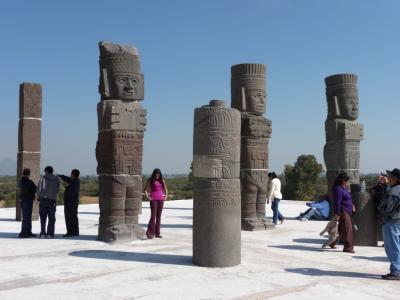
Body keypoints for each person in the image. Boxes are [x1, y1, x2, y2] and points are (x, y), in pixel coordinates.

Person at [377, 168, 400, 280]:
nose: (388, 178)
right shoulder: (395, 188)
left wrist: (381, 211)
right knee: (396, 246)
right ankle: (396, 270)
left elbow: (388, 207)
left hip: (392, 221)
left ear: (394, 179)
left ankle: (396, 271)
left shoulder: (395, 190)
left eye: (389, 176)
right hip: (396, 221)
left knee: (392, 247)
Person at [329, 172, 355, 253]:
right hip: (343, 211)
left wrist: (352, 205)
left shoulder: (343, 188)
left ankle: (332, 243)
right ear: (343, 180)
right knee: (348, 229)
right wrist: (337, 213)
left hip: (347, 210)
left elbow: (347, 198)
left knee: (340, 229)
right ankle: (348, 247)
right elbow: (337, 202)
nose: (348, 182)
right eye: (347, 180)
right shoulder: (338, 189)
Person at [144, 168, 168, 239]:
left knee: (158, 217)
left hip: (161, 199)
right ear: (154, 174)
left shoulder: (162, 181)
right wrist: (148, 197)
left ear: (160, 174)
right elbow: (145, 189)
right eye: (156, 173)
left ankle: (157, 233)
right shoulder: (150, 180)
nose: (157, 175)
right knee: (153, 216)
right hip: (153, 199)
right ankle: (150, 233)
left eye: (158, 173)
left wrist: (166, 196)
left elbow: (166, 189)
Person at [37, 166, 60, 238]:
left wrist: (39, 197)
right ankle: (50, 234)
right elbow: (57, 189)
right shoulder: (56, 179)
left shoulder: (42, 178)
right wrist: (53, 195)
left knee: (43, 218)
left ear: (46, 171)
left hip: (43, 199)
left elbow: (39, 189)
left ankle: (43, 233)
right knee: (52, 218)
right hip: (52, 200)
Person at [58, 169, 80, 237]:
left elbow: (71, 191)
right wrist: (61, 176)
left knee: (69, 217)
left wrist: (66, 187)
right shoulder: (76, 180)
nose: (70, 174)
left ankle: (70, 232)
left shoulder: (75, 181)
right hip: (73, 202)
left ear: (73, 174)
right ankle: (75, 232)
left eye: (71, 173)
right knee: (74, 216)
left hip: (70, 202)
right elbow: (68, 179)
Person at [18, 168, 37, 238]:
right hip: (28, 200)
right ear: (29, 174)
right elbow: (35, 189)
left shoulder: (21, 181)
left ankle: (27, 232)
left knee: (26, 217)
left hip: (23, 200)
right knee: (27, 217)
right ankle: (24, 233)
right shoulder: (28, 182)